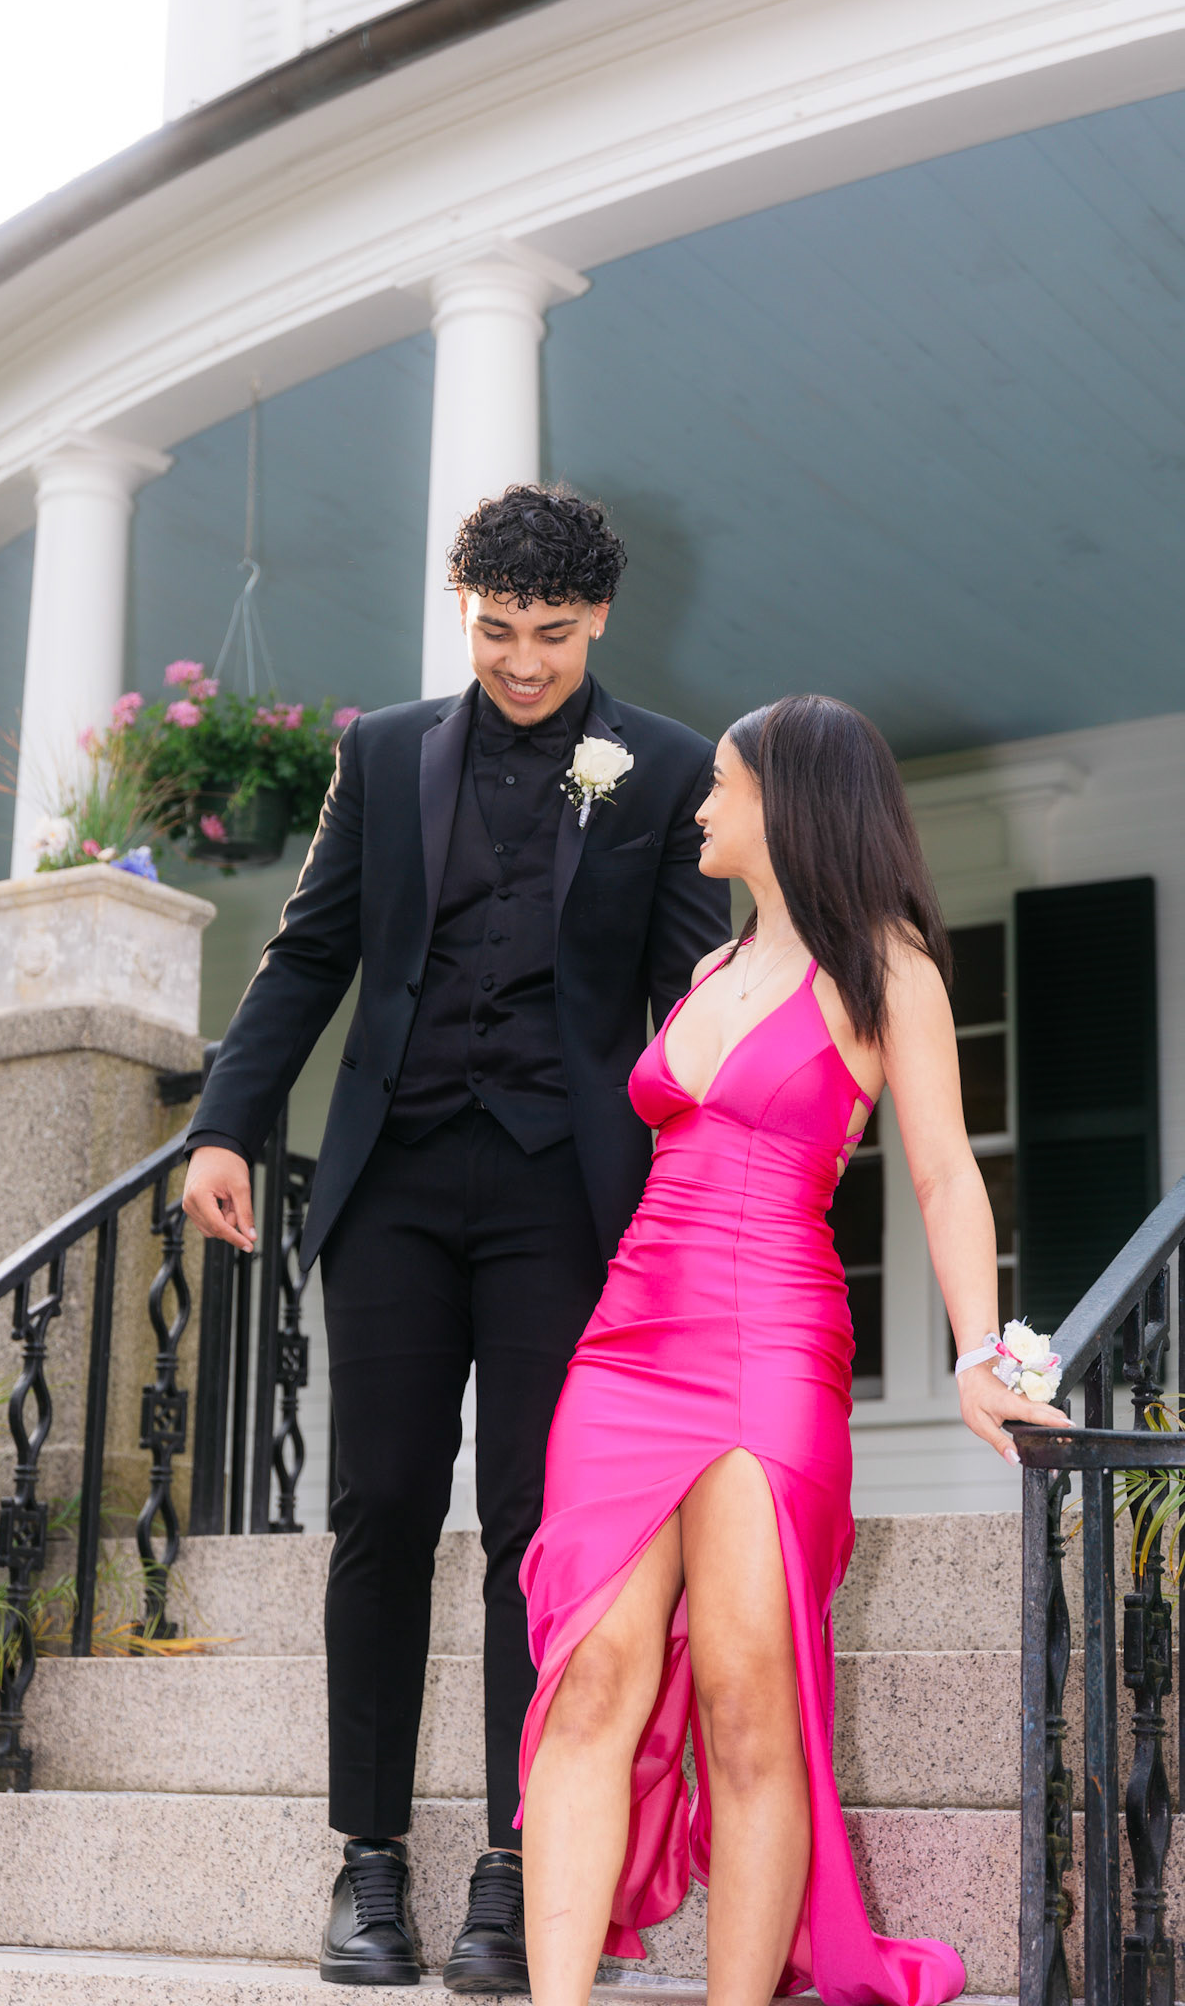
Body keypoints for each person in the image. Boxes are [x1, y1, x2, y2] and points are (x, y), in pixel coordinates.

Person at [182, 484, 728, 1991]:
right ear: (463, 611)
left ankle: (512, 1868)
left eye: (551, 633)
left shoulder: (670, 767)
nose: (523, 663)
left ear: (597, 618)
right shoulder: (383, 751)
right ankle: (368, 1863)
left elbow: (689, 999)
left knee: (534, 1531)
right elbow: (310, 953)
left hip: (564, 1195)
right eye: (496, 631)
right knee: (379, 1508)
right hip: (397, 1187)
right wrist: (224, 1126)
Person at [515, 693, 1073, 2006]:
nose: (700, 805)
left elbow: (943, 1173)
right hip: (627, 1343)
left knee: (748, 1703)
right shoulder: (710, 970)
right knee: (590, 1676)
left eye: (721, 783)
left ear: (788, 802)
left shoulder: (888, 967)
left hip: (770, 1343)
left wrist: (978, 1351)